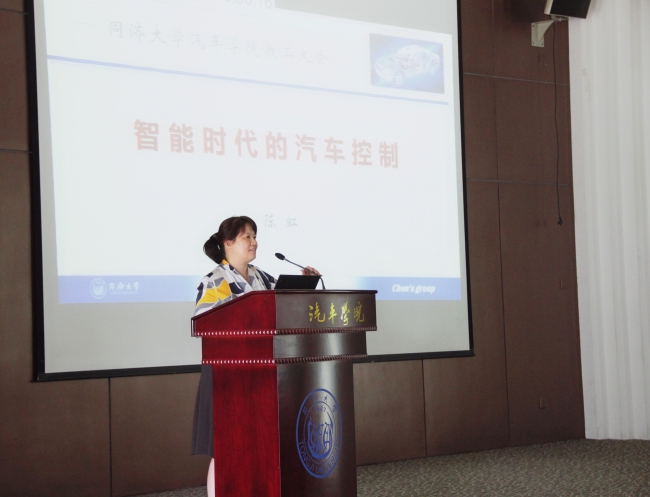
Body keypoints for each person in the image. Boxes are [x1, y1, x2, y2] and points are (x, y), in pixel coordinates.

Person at [190, 215, 319, 497]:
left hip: (262, 374)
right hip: (226, 375)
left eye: (255, 236)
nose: (254, 242)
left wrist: (305, 284)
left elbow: (283, 308)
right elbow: (203, 325)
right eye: (246, 236)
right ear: (228, 243)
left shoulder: (262, 277)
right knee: (225, 449)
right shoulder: (214, 280)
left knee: (257, 446)